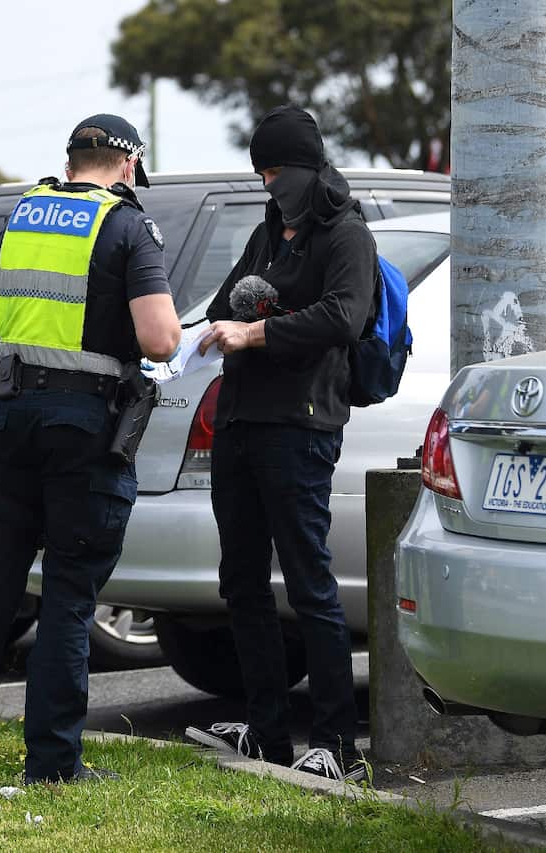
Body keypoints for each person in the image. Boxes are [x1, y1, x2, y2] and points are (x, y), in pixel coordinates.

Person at [0, 115, 181, 785]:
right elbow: (159, 339)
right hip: (83, 428)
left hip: (10, 418)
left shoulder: (23, 214)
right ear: (128, 164)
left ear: (72, 159)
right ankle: (54, 763)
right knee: (68, 593)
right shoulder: (127, 225)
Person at [185, 105, 376, 782]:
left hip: (300, 427)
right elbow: (220, 307)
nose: (269, 182)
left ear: (306, 167)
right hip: (239, 422)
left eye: (276, 169)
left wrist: (256, 330)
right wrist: (210, 328)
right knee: (240, 581)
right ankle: (265, 730)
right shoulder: (269, 231)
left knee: (308, 582)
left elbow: (345, 315)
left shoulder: (345, 233)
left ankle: (335, 743)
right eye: (261, 170)